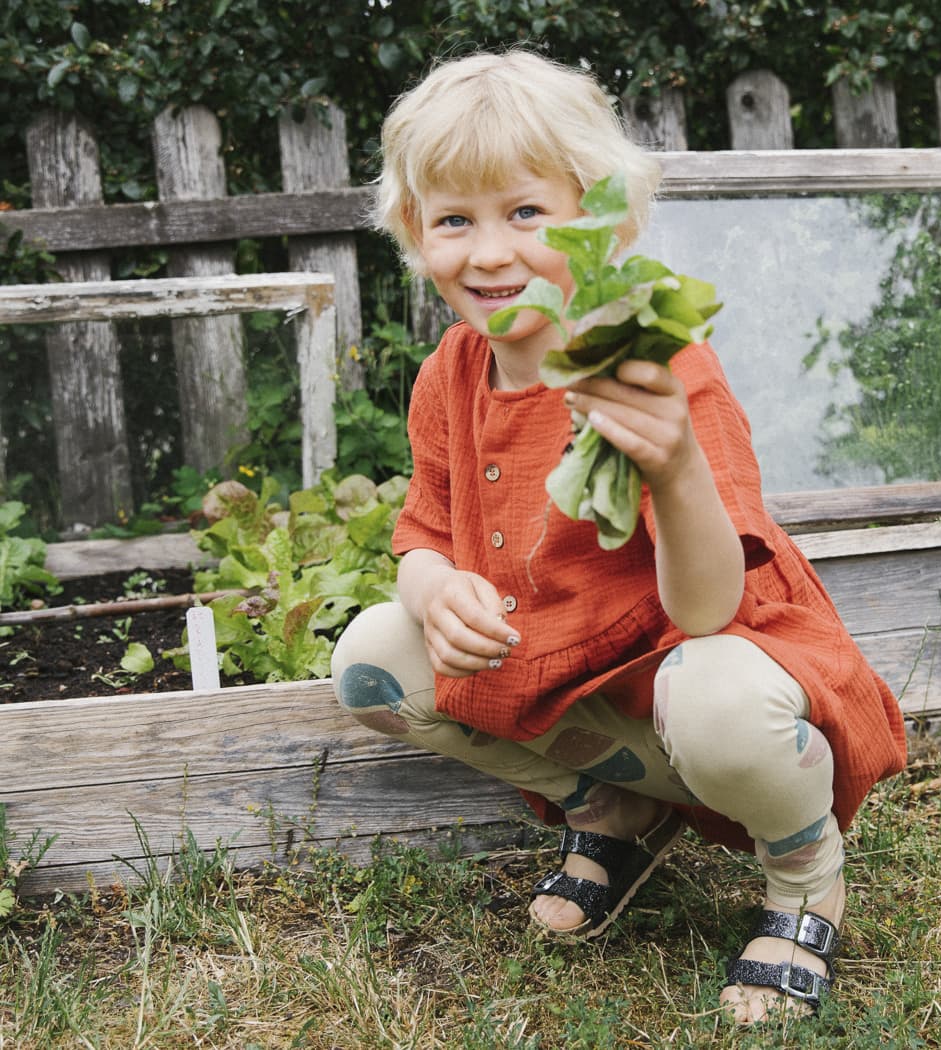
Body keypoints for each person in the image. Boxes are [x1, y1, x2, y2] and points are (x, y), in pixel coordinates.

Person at [331, 47, 907, 1025]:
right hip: (568, 671)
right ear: (412, 234)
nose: (487, 252)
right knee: (375, 658)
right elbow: (421, 536)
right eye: (453, 221)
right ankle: (615, 815)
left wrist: (675, 468)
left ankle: (805, 880)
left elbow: (709, 606)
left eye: (526, 212)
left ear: (603, 220)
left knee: (713, 693)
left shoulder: (653, 366)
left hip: (706, 663)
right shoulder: (452, 375)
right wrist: (433, 591)